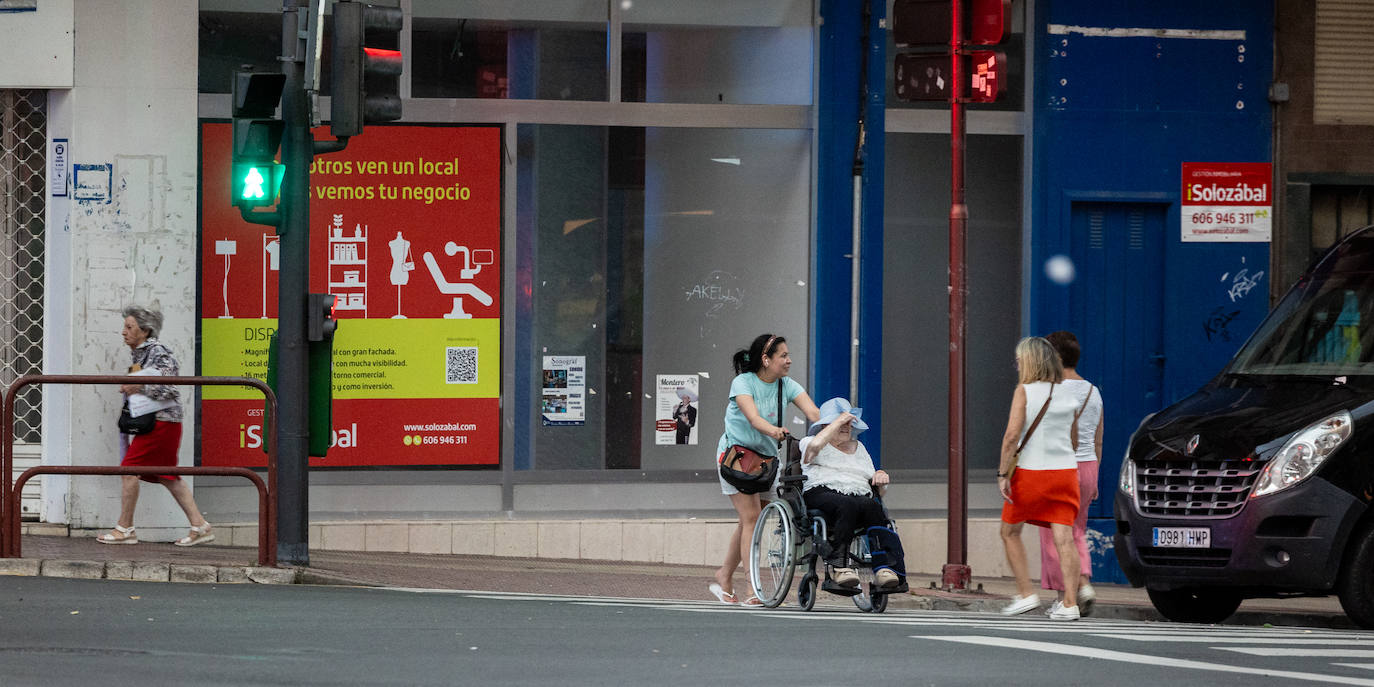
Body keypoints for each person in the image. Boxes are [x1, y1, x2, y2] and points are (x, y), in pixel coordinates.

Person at [709, 333, 819, 606]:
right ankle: (751, 588)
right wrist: (775, 431)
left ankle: (724, 575)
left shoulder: (787, 385)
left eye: (788, 355)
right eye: (783, 356)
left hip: (767, 462)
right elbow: (754, 418)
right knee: (752, 519)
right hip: (737, 457)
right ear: (766, 360)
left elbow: (814, 414)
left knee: (750, 521)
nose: (789, 360)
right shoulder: (743, 382)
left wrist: (837, 423)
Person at [97, 306, 215, 547]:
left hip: (162, 421)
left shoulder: (157, 351)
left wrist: (138, 387)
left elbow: (170, 387)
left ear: (145, 330)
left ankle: (124, 528)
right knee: (168, 475)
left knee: (129, 470)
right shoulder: (140, 354)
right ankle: (200, 525)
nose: (124, 332)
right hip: (161, 421)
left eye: (129, 327)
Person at [997, 336, 1083, 620]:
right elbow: (1074, 440)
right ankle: (1070, 603)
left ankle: (1025, 593)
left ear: (1031, 361)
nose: (1017, 364)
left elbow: (1011, 436)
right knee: (1064, 538)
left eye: (1020, 359)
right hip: (1066, 474)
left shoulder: (1024, 391)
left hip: (1032, 473)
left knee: (1010, 532)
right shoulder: (1069, 394)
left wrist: (1002, 473)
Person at [800, 398, 906, 589]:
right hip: (821, 492)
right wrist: (838, 421)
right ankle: (840, 568)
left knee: (873, 505)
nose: (846, 426)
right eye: (841, 422)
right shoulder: (810, 442)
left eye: (849, 423)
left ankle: (884, 568)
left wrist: (880, 477)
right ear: (826, 425)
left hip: (857, 495)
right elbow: (812, 451)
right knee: (846, 504)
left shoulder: (860, 448)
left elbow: (877, 490)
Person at [1038, 331, 1104, 614]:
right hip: (1088, 467)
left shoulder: (1051, 390)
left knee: (1053, 534)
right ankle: (1084, 581)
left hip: (1058, 467)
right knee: (1077, 529)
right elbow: (1098, 439)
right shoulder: (1093, 391)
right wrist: (1097, 475)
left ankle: (1066, 596)